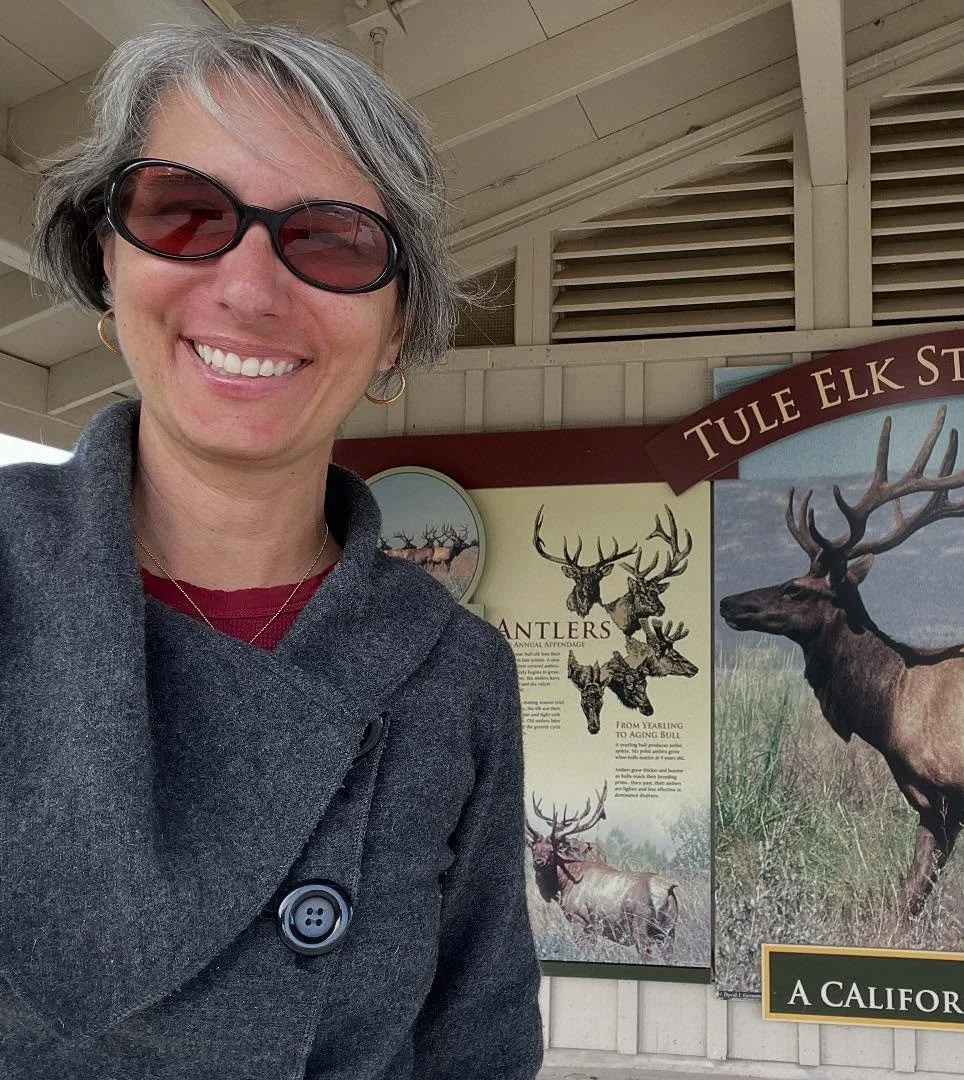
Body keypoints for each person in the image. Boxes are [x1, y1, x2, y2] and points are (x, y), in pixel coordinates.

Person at [2, 22, 542, 1079]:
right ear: (109, 258)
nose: (248, 290)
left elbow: (477, 1044)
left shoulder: (457, 674)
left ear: (397, 327)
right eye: (184, 212)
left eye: (332, 239)